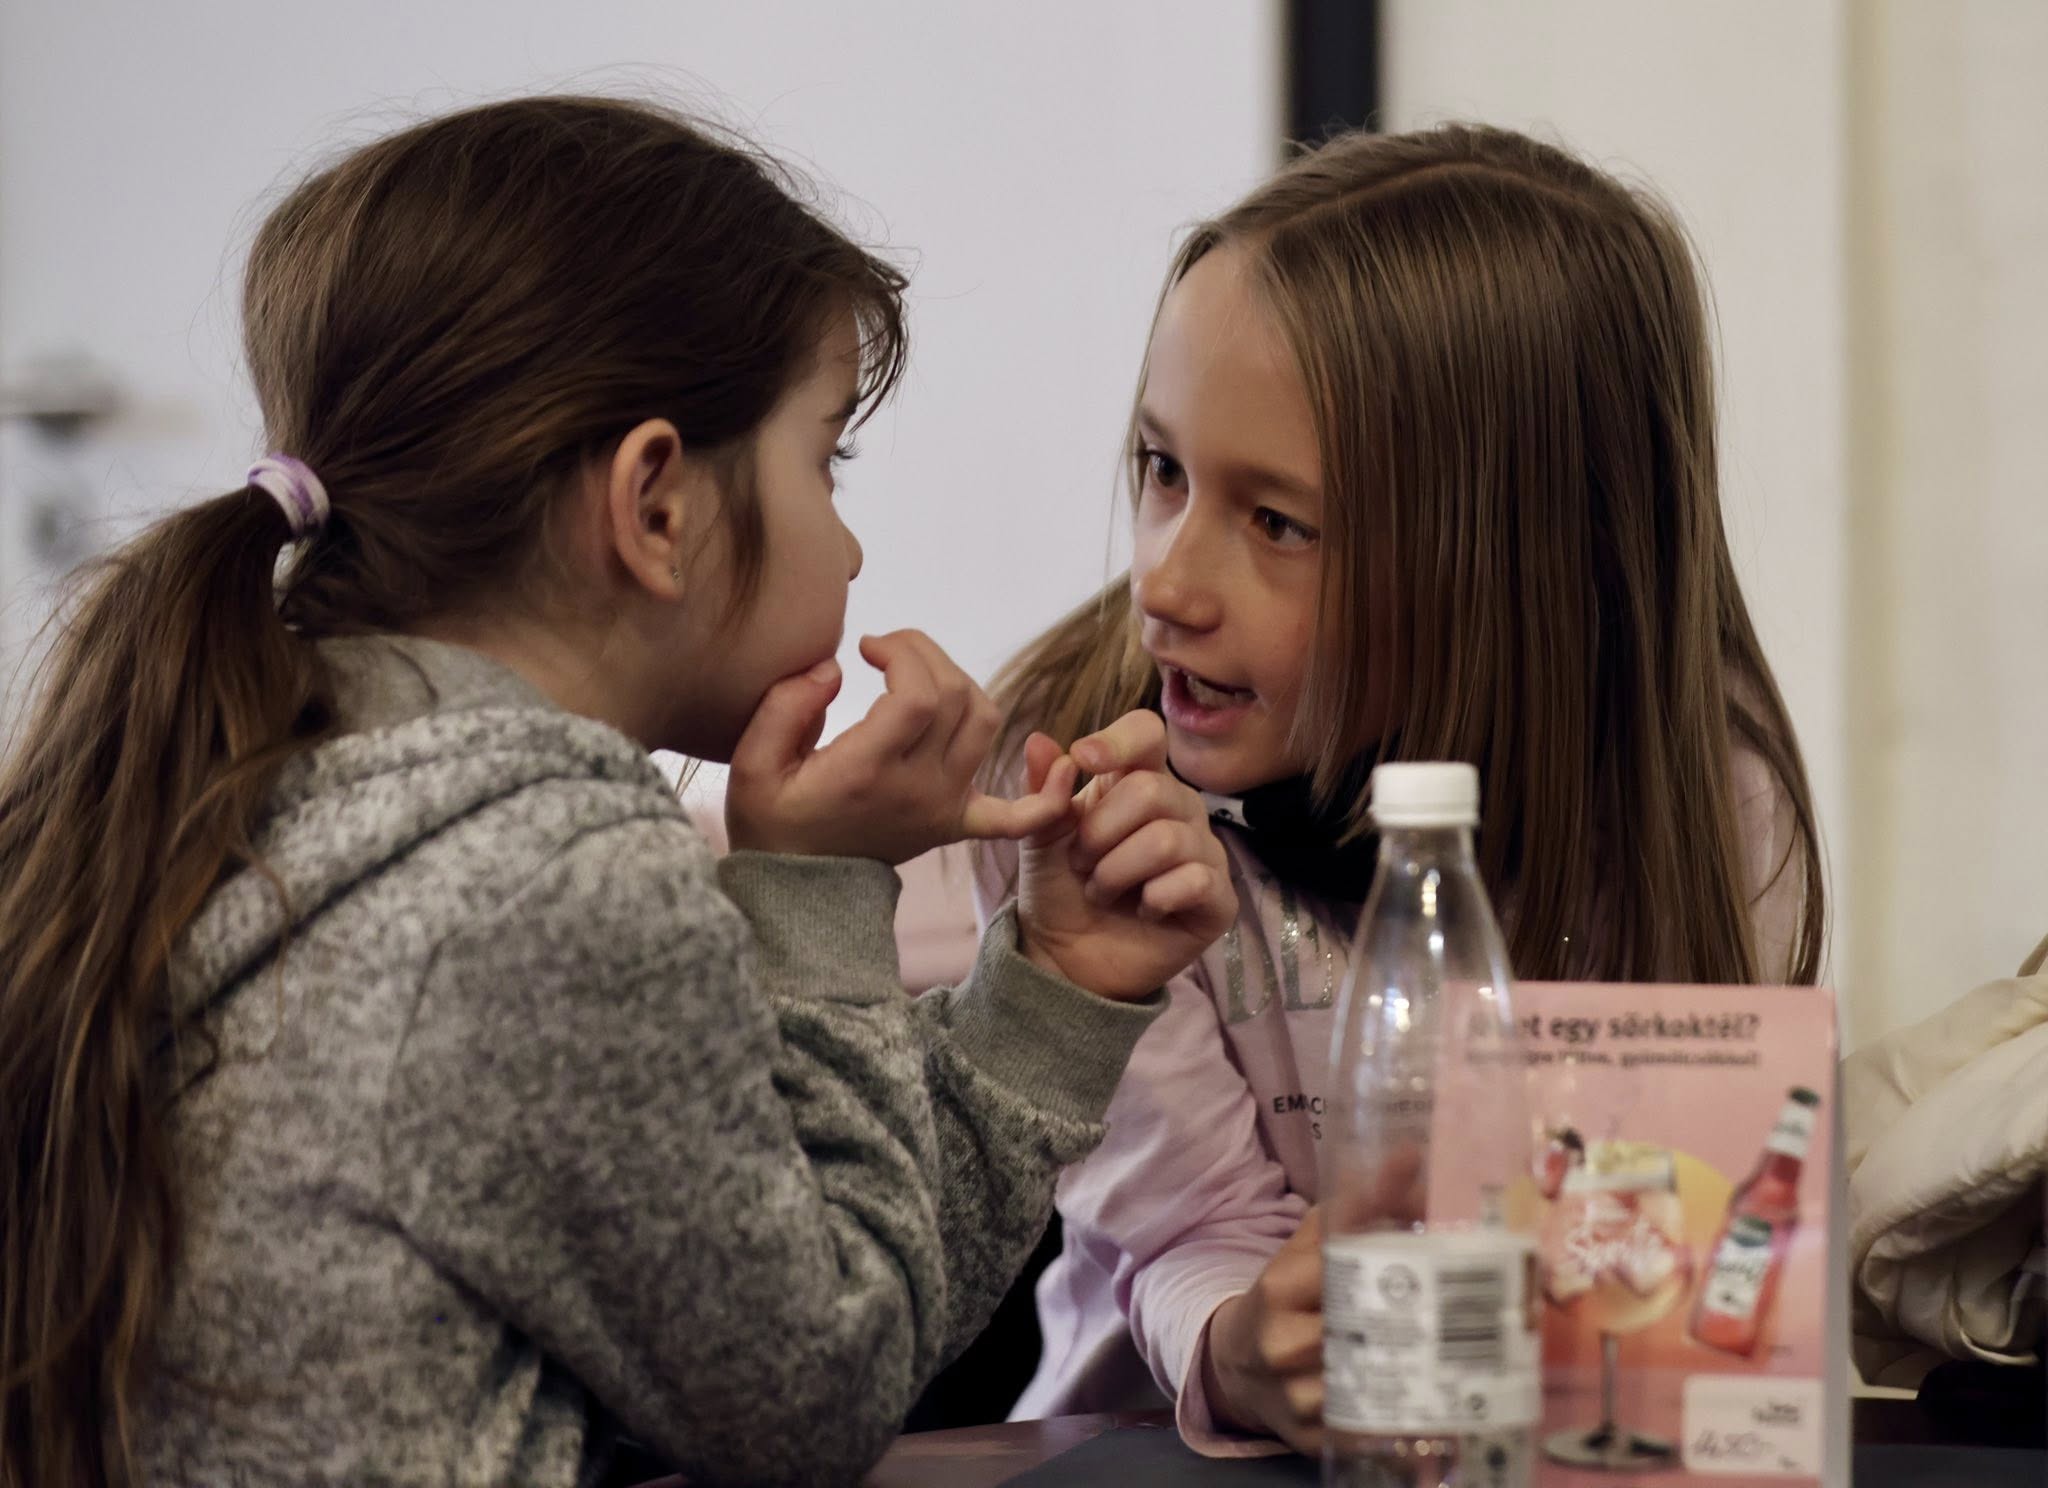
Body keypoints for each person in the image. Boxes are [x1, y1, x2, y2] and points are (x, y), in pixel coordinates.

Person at [0, 97, 1235, 1488]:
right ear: (655, 506)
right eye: (825, 459)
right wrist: (822, 890)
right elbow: (811, 1393)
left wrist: (1055, 984)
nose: (847, 546)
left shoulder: (263, 779)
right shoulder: (553, 884)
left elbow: (776, 1297)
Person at [977, 123, 1826, 1455]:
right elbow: (1183, 1231)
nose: (1167, 582)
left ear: (1515, 559)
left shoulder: (1708, 805)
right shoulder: (1093, 793)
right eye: (1162, 471)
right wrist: (1248, 1350)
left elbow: (1677, 1246)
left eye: (1277, 522)